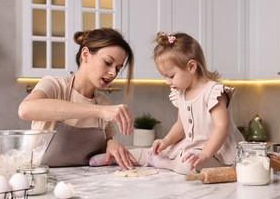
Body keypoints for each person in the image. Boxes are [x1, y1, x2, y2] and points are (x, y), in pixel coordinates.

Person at [90, 31, 244, 174]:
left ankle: (166, 163)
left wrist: (205, 154)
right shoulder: (182, 93)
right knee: (157, 150)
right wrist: (166, 141)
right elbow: (181, 125)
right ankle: (115, 157)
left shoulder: (213, 92)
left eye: (170, 76)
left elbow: (221, 127)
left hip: (218, 153)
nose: (167, 81)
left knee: (188, 164)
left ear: (191, 66)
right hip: (193, 147)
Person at [18, 28, 136, 169]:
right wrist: (98, 111)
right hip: (44, 181)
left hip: (85, 183)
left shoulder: (103, 103)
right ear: (85, 55)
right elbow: (25, 109)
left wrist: (111, 143)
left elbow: (105, 143)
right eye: (107, 62)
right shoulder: (55, 86)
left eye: (118, 68)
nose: (112, 73)